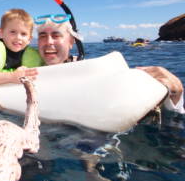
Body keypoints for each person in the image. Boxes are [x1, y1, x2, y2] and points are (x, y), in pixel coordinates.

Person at [35, 14, 184, 113]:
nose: (48, 42)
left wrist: (174, 96)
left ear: (71, 42)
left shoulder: (96, 72)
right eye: (42, 36)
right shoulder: (26, 71)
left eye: (56, 35)